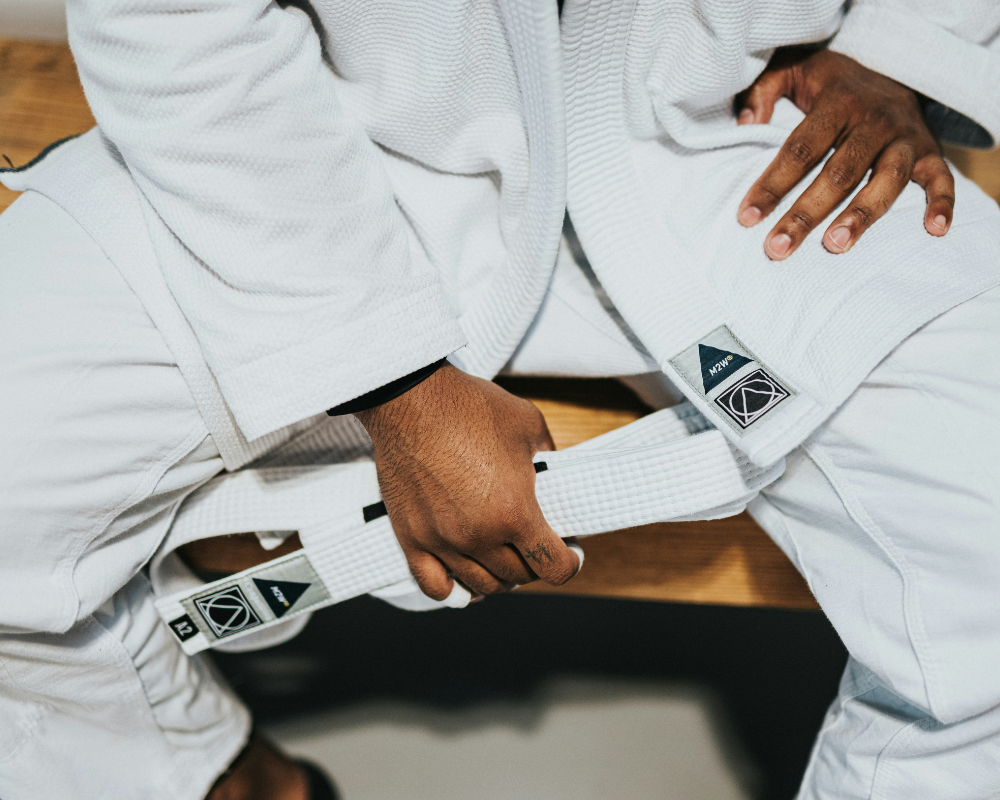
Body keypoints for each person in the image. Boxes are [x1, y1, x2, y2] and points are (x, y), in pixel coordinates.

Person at [1, 1, 998, 797]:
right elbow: (171, 19)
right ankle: (220, 778)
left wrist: (905, 40)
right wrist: (398, 385)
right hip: (325, 143)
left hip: (751, 134)